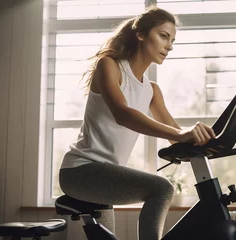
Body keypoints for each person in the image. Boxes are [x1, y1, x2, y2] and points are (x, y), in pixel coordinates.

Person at [59, 5, 216, 240]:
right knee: (161, 188)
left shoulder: (152, 90)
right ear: (141, 34)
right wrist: (182, 134)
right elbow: (122, 113)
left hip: (106, 173)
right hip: (80, 171)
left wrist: (201, 140)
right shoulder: (109, 65)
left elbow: (175, 134)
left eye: (172, 40)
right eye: (163, 36)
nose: (169, 46)